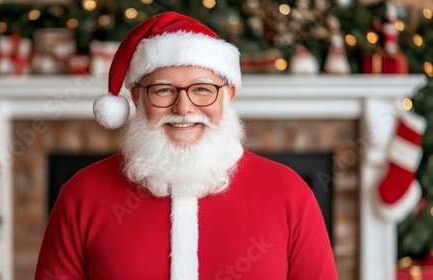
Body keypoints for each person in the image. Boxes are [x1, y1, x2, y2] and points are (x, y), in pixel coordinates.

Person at [35, 11, 337, 280]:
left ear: (228, 96)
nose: (183, 108)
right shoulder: (81, 195)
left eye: (202, 89)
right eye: (163, 90)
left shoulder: (290, 194)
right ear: (137, 97)